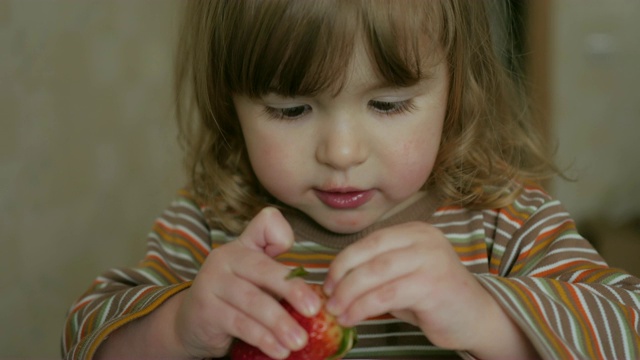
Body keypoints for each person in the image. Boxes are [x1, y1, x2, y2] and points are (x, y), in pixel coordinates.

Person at [62, 1, 640, 359]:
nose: (341, 153)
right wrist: (178, 327)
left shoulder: (505, 220)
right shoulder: (212, 225)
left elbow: (626, 326)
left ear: (455, 91)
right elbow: (84, 334)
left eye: (387, 105)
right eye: (290, 111)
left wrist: (486, 315)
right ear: (230, 104)